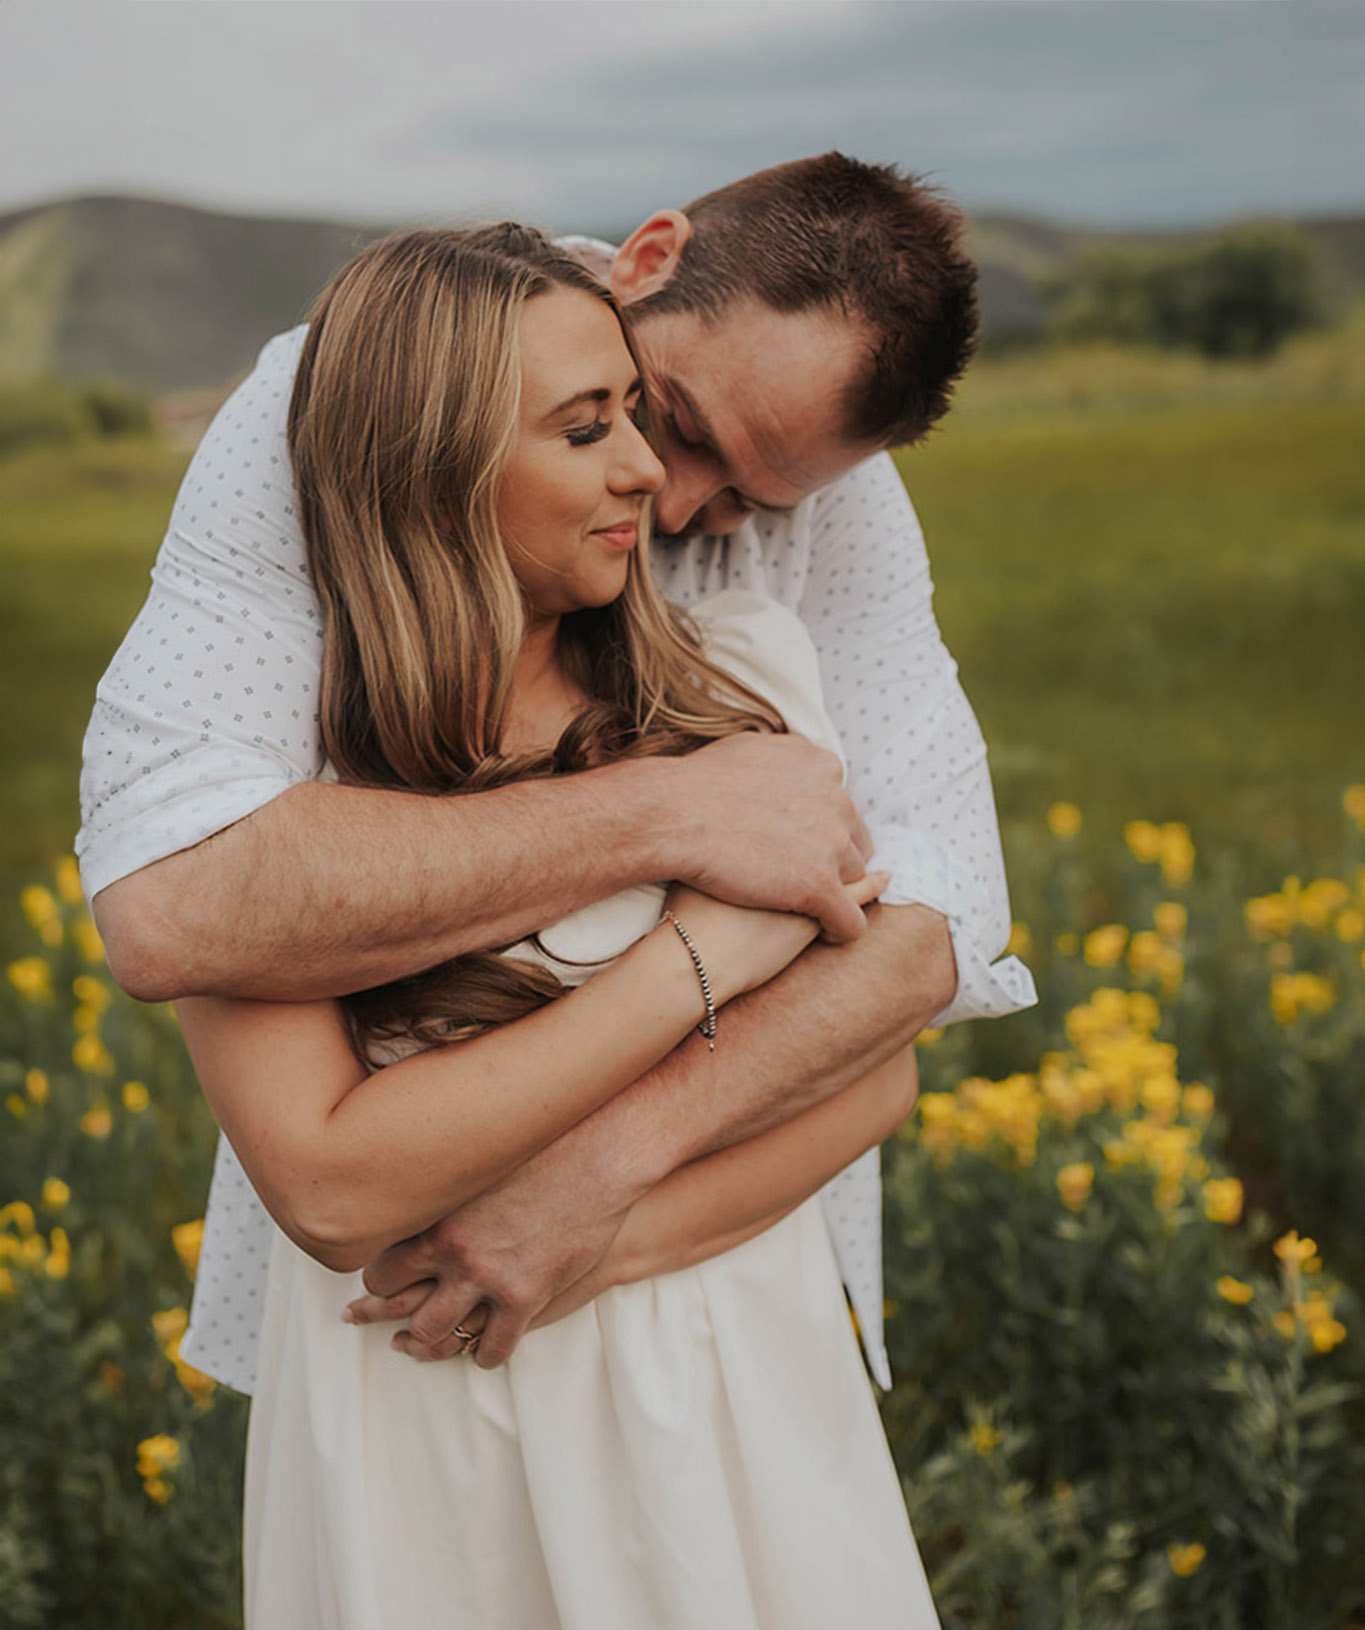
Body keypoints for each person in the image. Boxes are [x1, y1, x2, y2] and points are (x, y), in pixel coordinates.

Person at [177, 222, 991, 1630]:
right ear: (418, 453)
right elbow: (333, 1185)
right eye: (602, 425)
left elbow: (883, 1055)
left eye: (645, 423)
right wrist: (709, 942)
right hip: (427, 1408)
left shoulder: (743, 672)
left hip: (734, 1380)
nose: (662, 494)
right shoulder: (276, 793)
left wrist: (588, 1207)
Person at [77, 152, 1036, 1402]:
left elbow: (941, 918)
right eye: (665, 419)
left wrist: (603, 1179)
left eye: (752, 499)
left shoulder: (807, 558)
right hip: (400, 1308)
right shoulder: (336, 407)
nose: (677, 499)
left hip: (726, 1258)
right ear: (648, 258)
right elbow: (175, 899)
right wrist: (672, 817)